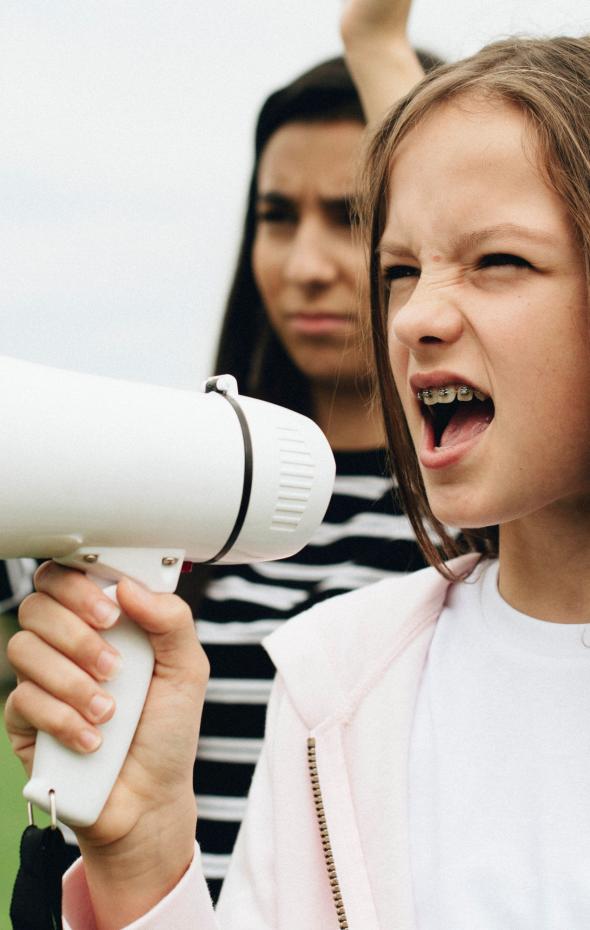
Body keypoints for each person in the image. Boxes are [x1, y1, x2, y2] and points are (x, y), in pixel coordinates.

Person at [9, 6, 590, 930]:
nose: (410, 317)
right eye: (398, 270)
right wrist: (144, 853)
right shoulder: (336, 679)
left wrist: (377, 50)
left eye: (501, 260)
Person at [175, 37, 439, 899]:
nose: (308, 265)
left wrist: (377, 44)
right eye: (278, 214)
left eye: (357, 216)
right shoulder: (169, 489)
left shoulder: (492, 516)